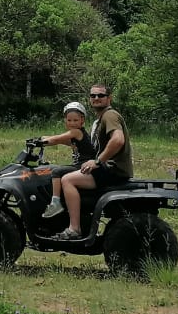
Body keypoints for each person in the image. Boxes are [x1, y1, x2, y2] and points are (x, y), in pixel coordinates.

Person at [54, 83, 132, 240]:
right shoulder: (100, 120)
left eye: (101, 95)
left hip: (113, 170)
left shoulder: (110, 115)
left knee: (67, 180)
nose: (96, 98)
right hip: (110, 168)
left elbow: (118, 140)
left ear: (109, 98)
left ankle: (74, 229)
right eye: (93, 95)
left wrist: (97, 161)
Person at [39, 101, 92, 219]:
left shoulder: (76, 132)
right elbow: (61, 140)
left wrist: (42, 141)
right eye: (69, 120)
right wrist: (42, 138)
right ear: (65, 120)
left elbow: (57, 139)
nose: (72, 123)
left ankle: (56, 203)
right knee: (55, 168)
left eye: (75, 120)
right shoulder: (77, 135)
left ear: (82, 120)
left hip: (83, 165)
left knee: (56, 172)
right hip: (81, 165)